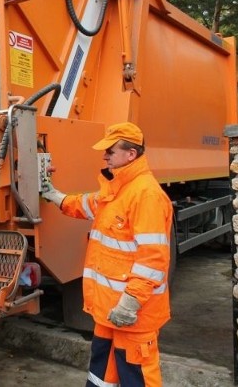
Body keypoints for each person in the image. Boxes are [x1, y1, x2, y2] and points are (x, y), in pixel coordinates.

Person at [42, 121, 173, 387]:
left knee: (136, 379)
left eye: (110, 151)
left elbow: (153, 260)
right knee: (101, 378)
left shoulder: (146, 195)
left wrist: (130, 302)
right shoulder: (117, 190)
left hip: (133, 317)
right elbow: (85, 204)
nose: (105, 156)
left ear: (131, 154)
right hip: (110, 314)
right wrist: (53, 194)